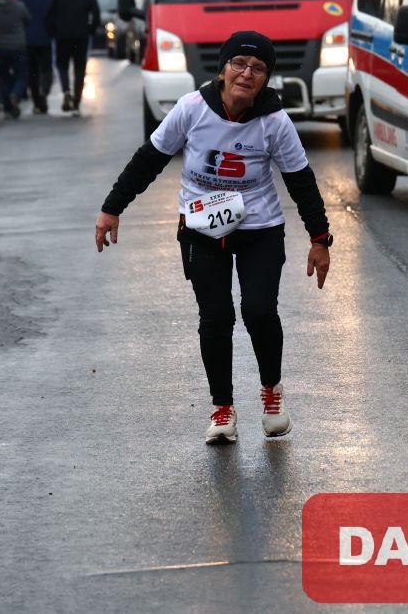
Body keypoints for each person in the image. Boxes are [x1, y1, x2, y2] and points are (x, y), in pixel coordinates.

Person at [95, 31, 333, 445]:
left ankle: (271, 392)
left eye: (258, 68)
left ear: (266, 79)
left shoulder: (274, 121)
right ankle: (222, 409)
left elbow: (301, 181)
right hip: (201, 229)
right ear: (222, 70)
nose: (247, 74)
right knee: (216, 316)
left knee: (259, 311)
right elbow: (149, 159)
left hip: (259, 228)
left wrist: (320, 239)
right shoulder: (192, 109)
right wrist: (112, 208)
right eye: (238, 63)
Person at [46, 0, 100, 116]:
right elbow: (96, 12)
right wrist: (91, 29)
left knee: (62, 65)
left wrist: (52, 31)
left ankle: (66, 91)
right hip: (81, 36)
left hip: (62, 35)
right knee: (80, 68)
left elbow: (49, 13)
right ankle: (76, 102)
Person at [18, 0, 54, 115]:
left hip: (28, 41)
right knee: (46, 69)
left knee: (32, 72)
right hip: (45, 39)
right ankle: (44, 91)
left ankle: (37, 102)